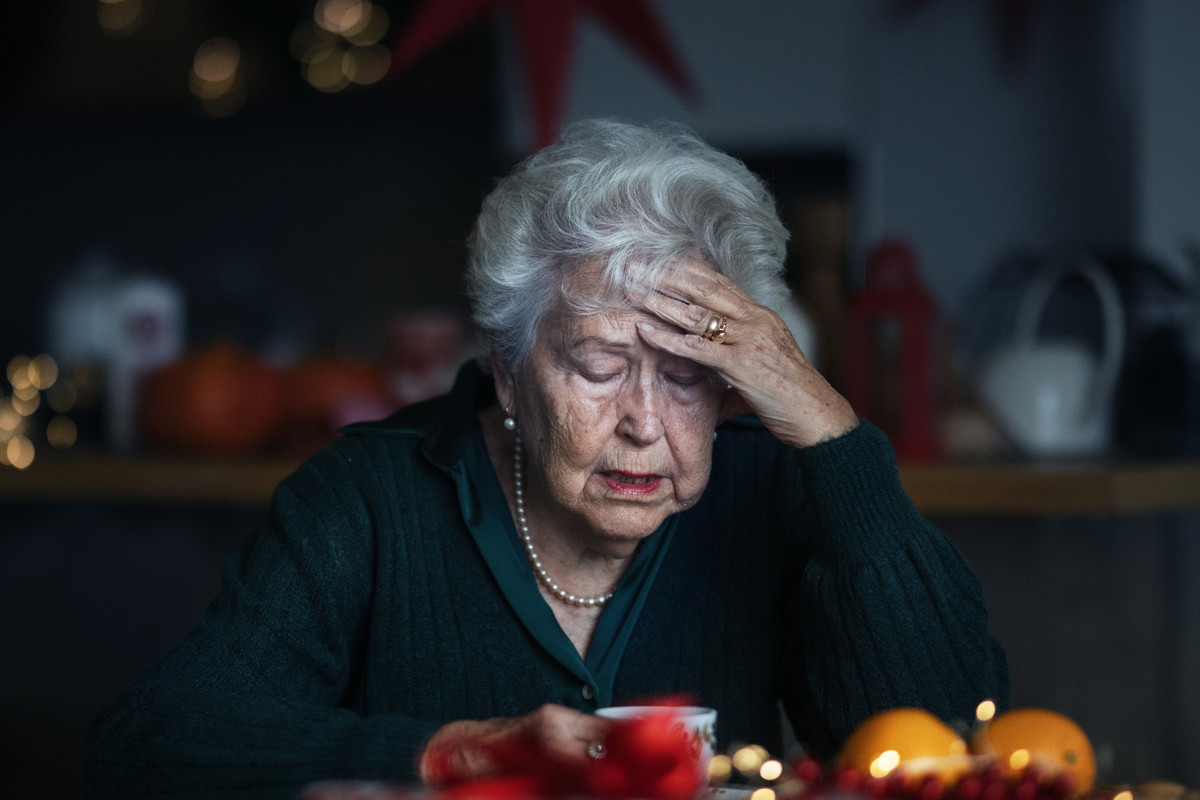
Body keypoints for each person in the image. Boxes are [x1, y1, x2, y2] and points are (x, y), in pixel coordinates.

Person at [87, 119, 1008, 798]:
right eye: (600, 366)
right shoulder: (369, 496)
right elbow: (147, 750)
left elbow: (957, 744)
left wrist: (829, 429)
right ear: (511, 372)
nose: (645, 423)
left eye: (690, 380)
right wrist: (449, 754)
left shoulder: (771, 484)